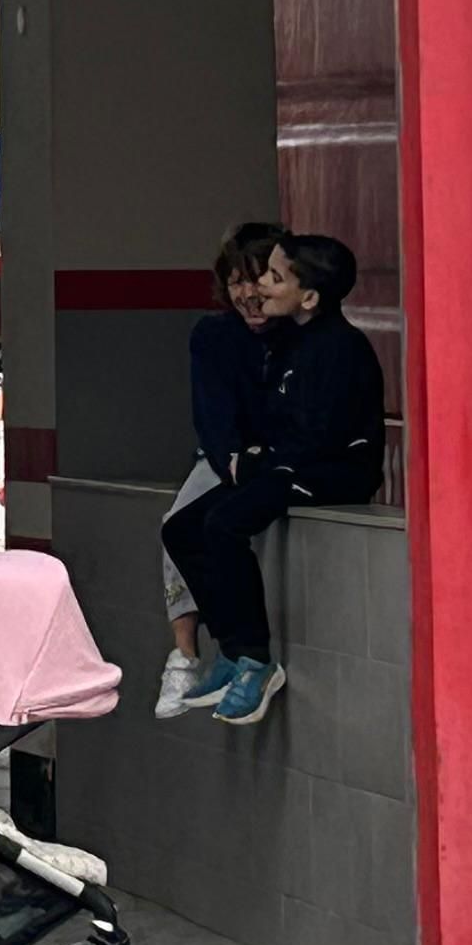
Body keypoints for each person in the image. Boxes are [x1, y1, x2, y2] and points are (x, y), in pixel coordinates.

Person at [161, 231, 385, 729]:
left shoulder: (337, 347)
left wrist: (266, 464)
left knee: (225, 524)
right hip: (290, 466)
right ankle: (231, 648)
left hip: (331, 473)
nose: (261, 285)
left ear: (308, 297)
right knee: (180, 528)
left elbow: (319, 436)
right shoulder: (291, 343)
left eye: (274, 277)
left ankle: (256, 659)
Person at [157, 223, 288, 717]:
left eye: (260, 280)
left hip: (283, 460)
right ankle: (189, 654)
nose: (248, 294)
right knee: (177, 525)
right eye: (237, 281)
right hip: (227, 457)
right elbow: (211, 418)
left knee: (213, 526)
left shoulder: (302, 335)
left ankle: (244, 656)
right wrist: (233, 462)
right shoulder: (214, 335)